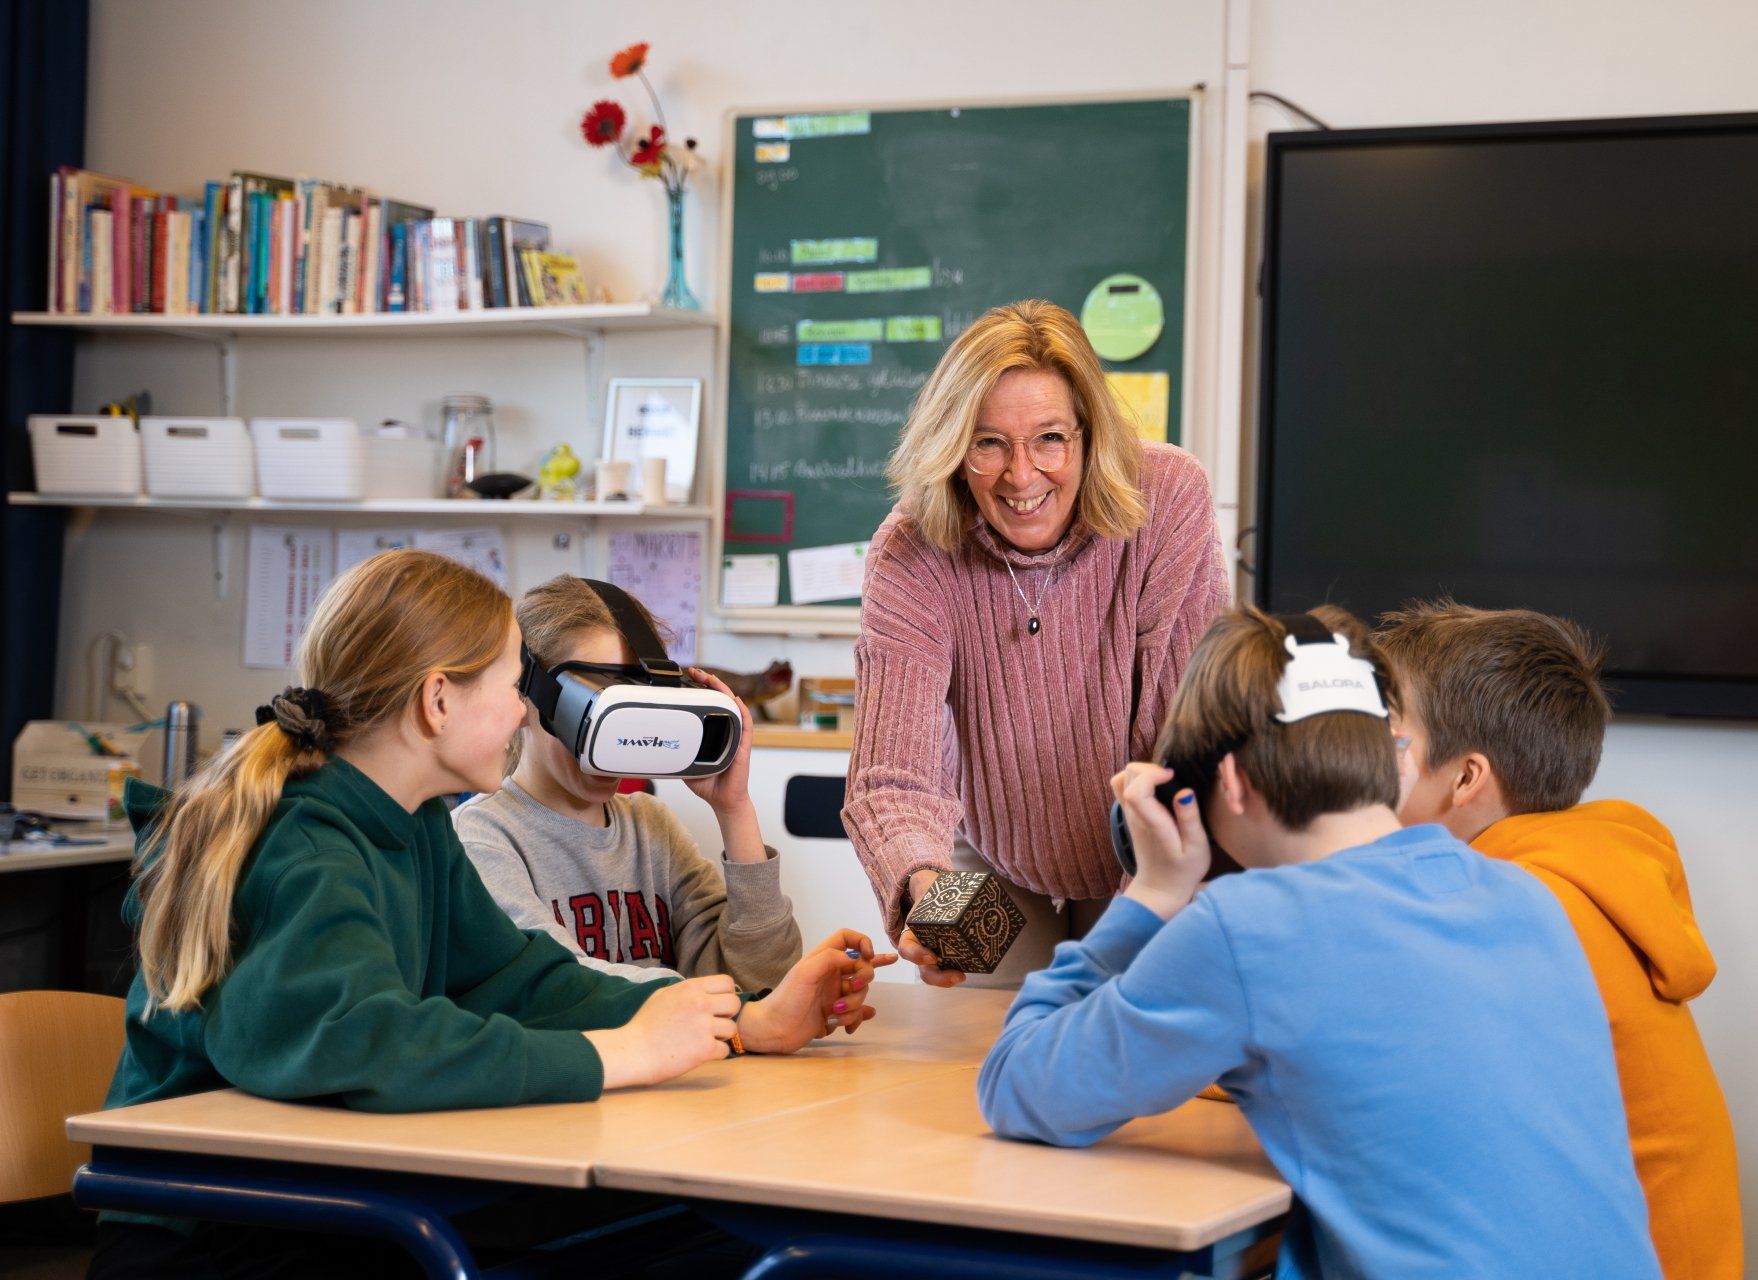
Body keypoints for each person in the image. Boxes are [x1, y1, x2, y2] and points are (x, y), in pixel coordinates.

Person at [90, 550, 890, 1279]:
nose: (523, 711)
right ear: (438, 700)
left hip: (320, 1199)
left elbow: (519, 979)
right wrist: (620, 1055)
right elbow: (366, 1043)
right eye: (517, 685)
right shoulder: (303, 845)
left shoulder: (415, 825)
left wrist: (742, 1025)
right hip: (210, 1230)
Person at [976, 604, 1660, 1279]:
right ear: (1389, 760)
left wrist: (1154, 893)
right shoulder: (1526, 900)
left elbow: (1016, 1087)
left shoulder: (1248, 927)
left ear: (1232, 783)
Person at [844, 299, 1228, 986]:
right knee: (980, 1052)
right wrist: (925, 889)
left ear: (1089, 434)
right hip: (994, 853)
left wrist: (1126, 934)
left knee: (1116, 1039)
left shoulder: (1168, 497)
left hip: (1142, 844)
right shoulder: (911, 550)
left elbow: (1183, 740)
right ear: (955, 448)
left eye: (1049, 438)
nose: (1022, 477)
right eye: (989, 443)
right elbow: (893, 776)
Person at [1374, 598, 1741, 1280]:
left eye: (1385, 738)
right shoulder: (1572, 866)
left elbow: (1343, 1060)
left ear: (1463, 779)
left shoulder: (1512, 912)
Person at [455, 574, 804, 993]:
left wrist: (734, 809)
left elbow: (762, 980)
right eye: (593, 708)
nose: (614, 741)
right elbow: (557, 987)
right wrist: (721, 1004)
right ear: (525, 693)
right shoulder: (482, 838)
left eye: (633, 706)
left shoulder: (652, 828)